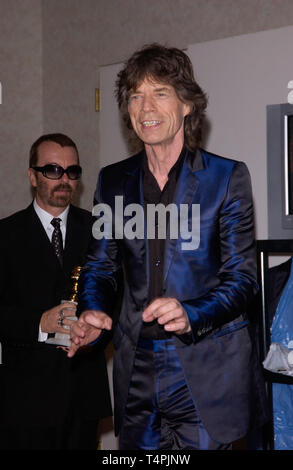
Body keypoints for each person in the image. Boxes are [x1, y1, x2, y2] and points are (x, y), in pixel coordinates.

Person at [68, 44, 268, 450]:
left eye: (160, 92)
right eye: (136, 96)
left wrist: (190, 312)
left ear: (187, 104)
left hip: (205, 367)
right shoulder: (112, 182)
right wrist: (92, 308)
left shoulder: (227, 178)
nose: (146, 108)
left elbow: (243, 280)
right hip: (135, 365)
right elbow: (100, 267)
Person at [0, 133, 112, 450]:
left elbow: (116, 303)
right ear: (32, 176)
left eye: (72, 171)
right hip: (23, 403)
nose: (64, 179)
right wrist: (39, 323)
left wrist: (98, 330)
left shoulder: (100, 232)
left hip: (83, 396)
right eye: (52, 170)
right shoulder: (5, 236)